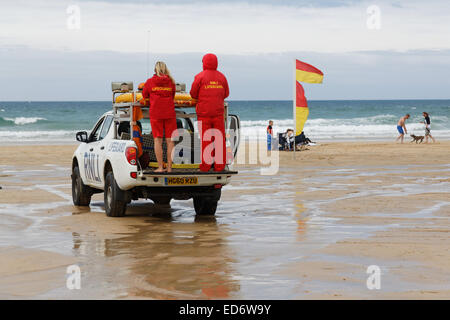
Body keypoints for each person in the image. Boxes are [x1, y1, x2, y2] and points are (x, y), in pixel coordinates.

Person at [190, 53, 229, 172]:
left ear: (204, 63)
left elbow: (193, 93)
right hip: (218, 113)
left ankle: (206, 167)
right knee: (219, 140)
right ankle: (219, 166)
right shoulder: (222, 77)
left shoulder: (200, 76)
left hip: (204, 113)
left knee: (206, 140)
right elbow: (226, 93)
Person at [142, 61, 177, 172]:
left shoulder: (150, 82)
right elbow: (173, 95)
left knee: (158, 140)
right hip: (169, 113)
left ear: (155, 70)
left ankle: (161, 167)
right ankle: (170, 168)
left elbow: (144, 95)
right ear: (165, 69)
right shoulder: (171, 82)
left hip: (156, 113)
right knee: (170, 141)